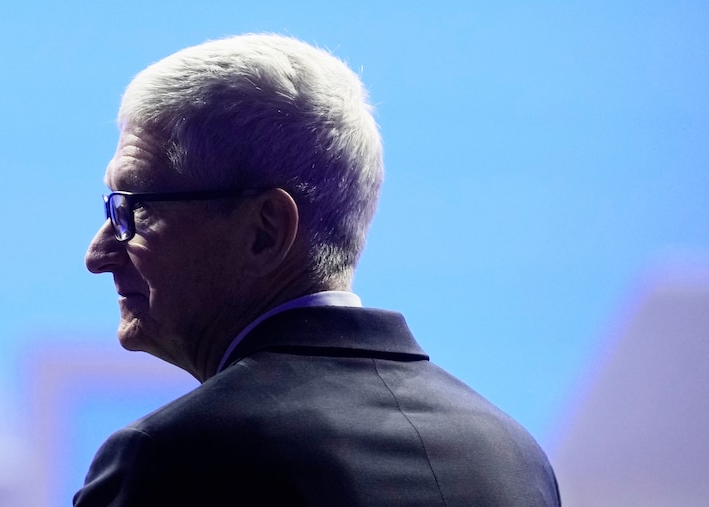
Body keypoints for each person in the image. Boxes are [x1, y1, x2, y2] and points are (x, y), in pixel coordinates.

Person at [75, 33, 561, 506]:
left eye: (135, 209)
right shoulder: (514, 456)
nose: (97, 256)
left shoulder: (170, 463)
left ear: (266, 230)